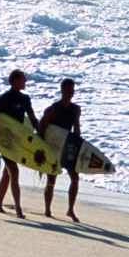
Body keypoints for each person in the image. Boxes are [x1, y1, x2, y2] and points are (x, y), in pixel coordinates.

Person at [0, 68, 38, 218]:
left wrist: (39, 136)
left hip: (16, 141)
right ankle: (18, 210)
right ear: (15, 80)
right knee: (14, 172)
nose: (26, 81)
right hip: (4, 141)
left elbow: (33, 118)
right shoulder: (3, 99)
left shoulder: (25, 99)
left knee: (8, 173)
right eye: (23, 78)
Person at [39, 77, 83, 222]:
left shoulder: (75, 109)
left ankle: (70, 210)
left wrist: (76, 120)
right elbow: (41, 131)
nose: (71, 93)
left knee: (75, 178)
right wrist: (41, 152)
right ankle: (47, 209)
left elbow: (77, 134)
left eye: (73, 91)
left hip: (68, 147)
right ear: (62, 91)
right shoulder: (52, 110)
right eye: (69, 90)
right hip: (53, 148)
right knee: (51, 179)